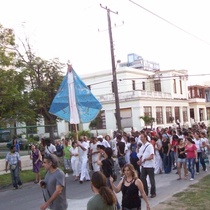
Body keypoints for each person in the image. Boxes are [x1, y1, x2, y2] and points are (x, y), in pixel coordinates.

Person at [137, 132, 156, 198]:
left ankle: (153, 192)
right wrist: (140, 161)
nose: (141, 138)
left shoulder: (149, 146)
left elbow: (152, 156)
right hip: (144, 165)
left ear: (145, 137)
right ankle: (145, 192)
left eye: (142, 137)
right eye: (140, 137)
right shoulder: (142, 146)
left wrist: (145, 159)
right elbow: (141, 155)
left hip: (150, 165)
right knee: (142, 178)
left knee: (151, 179)